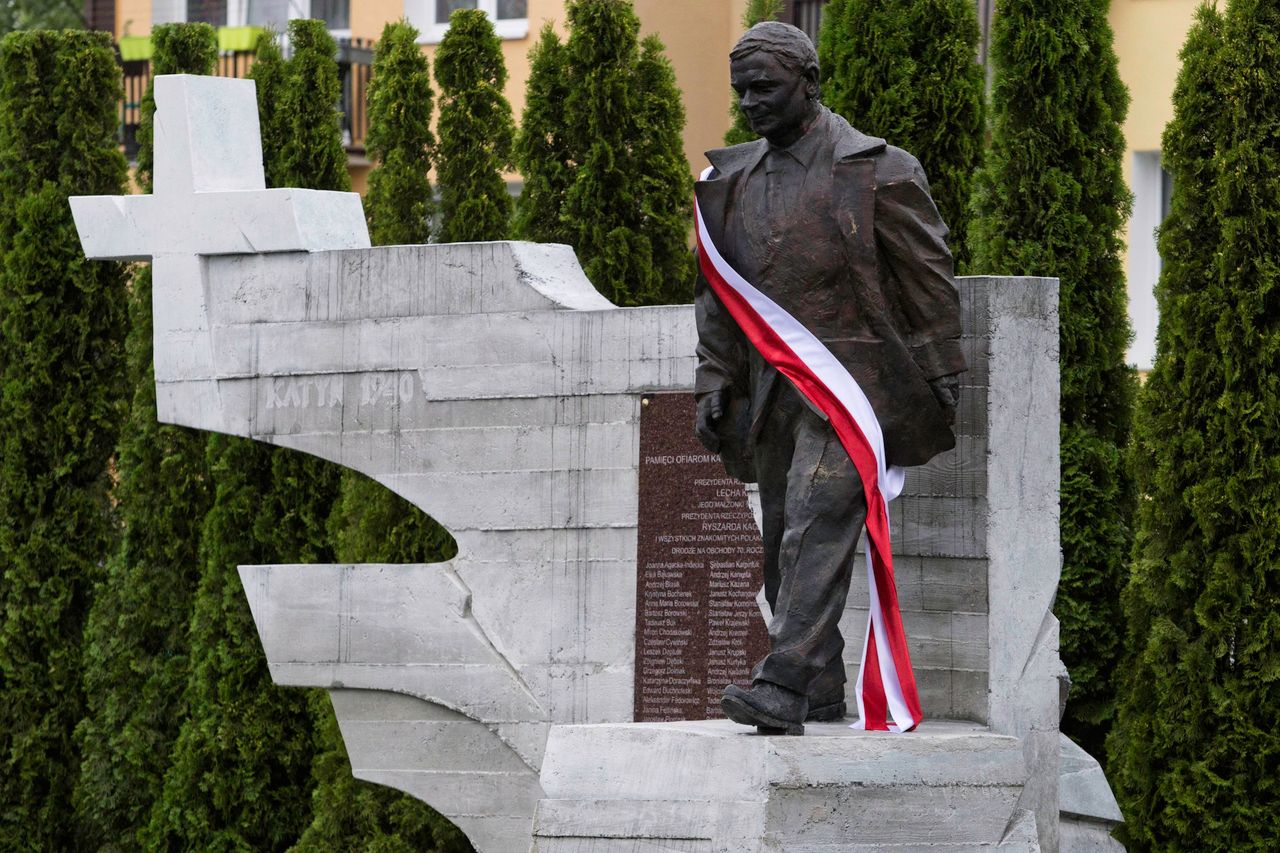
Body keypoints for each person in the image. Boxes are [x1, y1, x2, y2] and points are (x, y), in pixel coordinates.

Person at [694, 21, 965, 734]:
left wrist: (943, 376)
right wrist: (714, 373)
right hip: (774, 385)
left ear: (809, 84)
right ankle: (819, 687)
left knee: (814, 521)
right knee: (782, 532)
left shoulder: (878, 169)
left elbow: (928, 280)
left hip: (858, 385)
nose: (751, 103)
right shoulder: (730, 180)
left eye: (767, 88)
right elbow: (719, 293)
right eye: (742, 91)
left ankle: (781, 683)